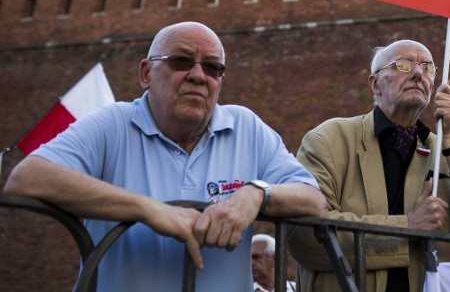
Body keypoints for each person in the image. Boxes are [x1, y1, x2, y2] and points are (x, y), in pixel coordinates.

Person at [3, 21, 327, 291]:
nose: (199, 75)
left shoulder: (246, 127)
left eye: (213, 68)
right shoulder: (114, 123)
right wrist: (148, 209)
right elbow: (27, 177)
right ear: (146, 73)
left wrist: (256, 193)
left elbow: (313, 199)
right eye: (181, 61)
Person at [289, 39, 450, 292]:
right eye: (403, 65)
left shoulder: (442, 151)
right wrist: (408, 226)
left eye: (428, 68)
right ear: (375, 83)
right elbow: (304, 235)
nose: (418, 73)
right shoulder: (330, 139)